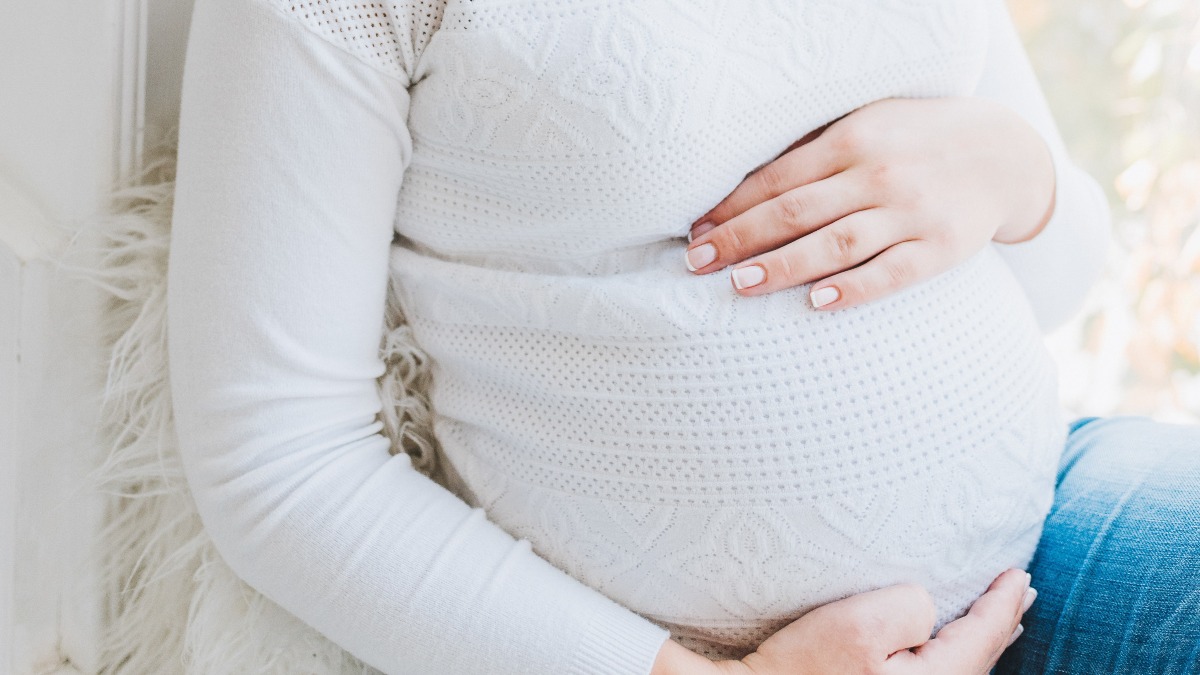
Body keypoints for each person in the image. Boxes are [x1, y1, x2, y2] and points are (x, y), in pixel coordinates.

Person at [165, 0, 1200, 673]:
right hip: (662, 651)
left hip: (1035, 549)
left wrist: (1014, 171)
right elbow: (278, 463)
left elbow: (1055, 276)